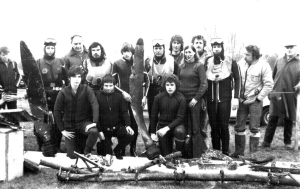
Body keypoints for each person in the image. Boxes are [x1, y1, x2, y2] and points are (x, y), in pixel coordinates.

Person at [231, 45, 273, 157]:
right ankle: (238, 152)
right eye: (244, 54)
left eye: (247, 54)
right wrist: (238, 96)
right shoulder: (240, 64)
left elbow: (269, 84)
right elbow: (236, 79)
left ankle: (253, 154)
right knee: (239, 126)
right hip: (242, 101)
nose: (244, 56)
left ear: (254, 56)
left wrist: (259, 98)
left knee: (254, 128)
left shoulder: (264, 66)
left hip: (255, 101)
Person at [54, 66, 99, 159]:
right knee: (72, 156)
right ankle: (77, 146)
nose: (77, 79)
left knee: (94, 131)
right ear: (69, 78)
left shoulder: (86, 89)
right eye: (74, 77)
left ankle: (87, 152)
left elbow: (94, 104)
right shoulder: (63, 92)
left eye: (79, 77)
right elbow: (57, 111)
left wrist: (94, 122)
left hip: (83, 124)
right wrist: (62, 130)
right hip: (69, 126)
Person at [260, 42, 300, 150]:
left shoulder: (299, 62)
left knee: (289, 119)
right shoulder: (279, 61)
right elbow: (272, 78)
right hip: (276, 94)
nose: (289, 49)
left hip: (290, 95)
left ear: (295, 48)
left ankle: (287, 143)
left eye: (291, 47)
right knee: (272, 117)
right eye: (287, 47)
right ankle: (266, 142)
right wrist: (270, 91)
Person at [204, 38, 240, 156]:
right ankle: (216, 151)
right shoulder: (208, 61)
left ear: (222, 47)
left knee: (224, 125)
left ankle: (225, 151)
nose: (216, 49)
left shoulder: (230, 61)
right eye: (214, 47)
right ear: (212, 48)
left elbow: (238, 78)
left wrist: (236, 98)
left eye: (218, 46)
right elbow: (203, 79)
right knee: (214, 126)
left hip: (225, 98)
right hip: (211, 98)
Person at [113, 42, 149, 156]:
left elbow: (147, 80)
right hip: (122, 97)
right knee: (123, 123)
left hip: (136, 98)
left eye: (128, 51)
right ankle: (122, 148)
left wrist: (144, 96)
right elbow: (112, 82)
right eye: (124, 52)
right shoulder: (117, 63)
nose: (126, 54)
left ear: (132, 52)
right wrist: (123, 93)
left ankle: (133, 148)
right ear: (122, 53)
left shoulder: (138, 63)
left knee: (134, 124)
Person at [35, 38, 68, 152]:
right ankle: (42, 145)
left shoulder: (61, 61)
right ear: (44, 49)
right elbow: (34, 80)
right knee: (42, 121)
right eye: (48, 48)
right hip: (43, 96)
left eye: (52, 48)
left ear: (55, 49)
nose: (50, 50)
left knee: (57, 120)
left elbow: (66, 79)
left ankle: (56, 145)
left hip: (57, 95)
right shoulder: (38, 62)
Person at [178, 44, 208, 158]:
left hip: (194, 100)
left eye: (190, 52)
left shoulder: (198, 66)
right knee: (184, 126)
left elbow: (204, 84)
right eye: (186, 52)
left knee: (195, 127)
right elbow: (176, 81)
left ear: (194, 53)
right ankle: (185, 153)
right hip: (182, 100)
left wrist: (196, 98)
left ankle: (196, 155)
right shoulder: (181, 66)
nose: (188, 54)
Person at [96, 74, 134, 160]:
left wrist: (127, 125)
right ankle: (101, 145)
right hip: (105, 130)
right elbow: (96, 115)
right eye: (106, 86)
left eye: (111, 86)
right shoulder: (98, 97)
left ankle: (117, 150)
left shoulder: (119, 96)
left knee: (130, 135)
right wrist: (99, 130)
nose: (108, 88)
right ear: (102, 85)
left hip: (117, 127)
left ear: (114, 85)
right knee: (107, 154)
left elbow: (124, 112)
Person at [149, 74, 186, 156]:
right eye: (167, 85)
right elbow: (153, 116)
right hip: (162, 128)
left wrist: (166, 128)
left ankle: (178, 152)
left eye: (172, 85)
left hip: (175, 127)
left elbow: (180, 118)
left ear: (176, 85)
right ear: (164, 85)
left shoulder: (181, 98)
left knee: (180, 131)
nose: (170, 87)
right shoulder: (158, 98)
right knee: (166, 156)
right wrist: (152, 133)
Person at [145, 39, 178, 120]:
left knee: (166, 114)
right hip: (152, 90)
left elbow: (177, 78)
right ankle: (152, 131)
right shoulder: (148, 62)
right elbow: (144, 78)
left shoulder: (172, 61)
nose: (158, 51)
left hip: (167, 90)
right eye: (156, 48)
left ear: (164, 49)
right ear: (153, 49)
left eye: (160, 48)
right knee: (152, 114)